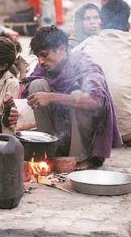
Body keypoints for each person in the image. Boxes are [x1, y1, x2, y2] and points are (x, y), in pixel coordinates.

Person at [25, 26, 122, 170]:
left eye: (44, 55)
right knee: (37, 85)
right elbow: (26, 93)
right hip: (62, 134)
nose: (40, 61)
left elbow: (96, 100)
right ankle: (50, 148)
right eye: (38, 56)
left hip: (86, 140)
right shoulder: (43, 68)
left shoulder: (84, 64)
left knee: (78, 95)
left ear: (62, 49)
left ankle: (80, 158)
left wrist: (52, 97)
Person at [74, 0, 131, 147]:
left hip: (91, 128)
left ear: (101, 23)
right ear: (128, 25)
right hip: (129, 128)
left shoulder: (84, 48)